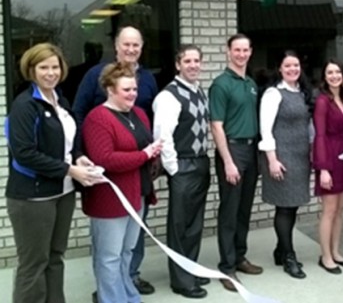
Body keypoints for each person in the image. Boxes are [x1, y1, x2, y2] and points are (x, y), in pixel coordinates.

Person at [5, 43, 101, 303]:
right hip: (33, 198)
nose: (50, 73)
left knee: (56, 257)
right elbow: (24, 153)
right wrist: (71, 169)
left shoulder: (60, 100)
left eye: (55, 66)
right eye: (43, 67)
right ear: (31, 70)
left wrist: (79, 156)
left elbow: (66, 143)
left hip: (63, 192)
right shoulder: (24, 105)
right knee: (33, 264)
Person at [73, 26, 158, 296]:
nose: (132, 93)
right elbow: (104, 154)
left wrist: (153, 157)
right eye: (126, 89)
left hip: (137, 187)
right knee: (110, 254)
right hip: (110, 189)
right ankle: (110, 296)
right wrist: (77, 155)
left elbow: (146, 136)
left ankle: (127, 292)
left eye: (136, 45)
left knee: (128, 250)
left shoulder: (141, 108)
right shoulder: (97, 106)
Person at [153, 45, 210, 299]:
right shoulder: (169, 95)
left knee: (195, 224)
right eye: (188, 61)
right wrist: (174, 169)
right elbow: (162, 136)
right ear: (178, 64)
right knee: (180, 225)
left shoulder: (198, 91)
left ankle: (191, 269)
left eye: (197, 61)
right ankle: (181, 280)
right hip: (184, 166)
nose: (193, 65)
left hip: (200, 163)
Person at [209, 33, 263, 292]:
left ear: (250, 52)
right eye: (236, 50)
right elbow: (216, 126)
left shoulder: (251, 83)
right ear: (228, 52)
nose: (241, 54)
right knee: (229, 210)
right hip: (232, 150)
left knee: (244, 208)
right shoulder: (221, 84)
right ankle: (227, 267)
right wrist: (228, 161)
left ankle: (239, 257)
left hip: (251, 151)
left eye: (245, 50)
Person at [259, 50, 313, 279]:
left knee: (293, 206)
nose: (293, 69)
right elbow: (265, 128)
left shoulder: (302, 93)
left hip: (300, 158)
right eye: (288, 66)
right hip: (281, 157)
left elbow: (309, 127)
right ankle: (288, 256)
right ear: (279, 69)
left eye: (296, 65)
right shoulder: (273, 93)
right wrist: (272, 160)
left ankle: (280, 249)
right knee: (284, 206)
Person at [312, 59, 343, 275]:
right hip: (329, 156)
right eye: (329, 72)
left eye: (337, 72)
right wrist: (323, 168)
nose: (334, 76)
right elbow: (319, 135)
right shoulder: (323, 101)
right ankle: (326, 256)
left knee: (340, 210)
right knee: (329, 211)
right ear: (324, 77)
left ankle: (336, 251)